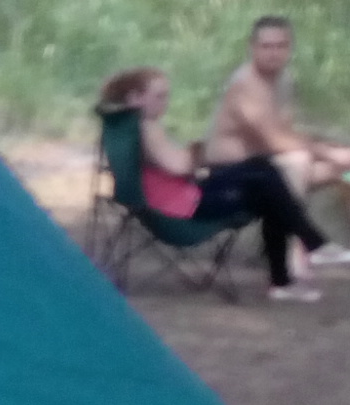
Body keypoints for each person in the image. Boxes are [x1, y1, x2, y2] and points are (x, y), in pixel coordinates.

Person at [99, 64, 334, 303]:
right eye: (159, 96)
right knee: (267, 184)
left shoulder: (123, 125)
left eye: (166, 96)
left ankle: (306, 253)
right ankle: (300, 260)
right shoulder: (146, 126)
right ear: (134, 98)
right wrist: (200, 151)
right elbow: (179, 167)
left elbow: (173, 166)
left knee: (264, 173)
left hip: (177, 199)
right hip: (183, 209)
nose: (165, 103)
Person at [202, 15, 350, 261]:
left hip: (268, 171)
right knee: (298, 161)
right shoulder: (246, 84)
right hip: (230, 178)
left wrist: (336, 153)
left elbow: (286, 134)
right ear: (252, 47)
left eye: (280, 46)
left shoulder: (283, 80)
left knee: (349, 173)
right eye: (266, 46)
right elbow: (275, 141)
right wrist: (329, 153)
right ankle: (291, 256)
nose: (274, 53)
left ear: (289, 48)